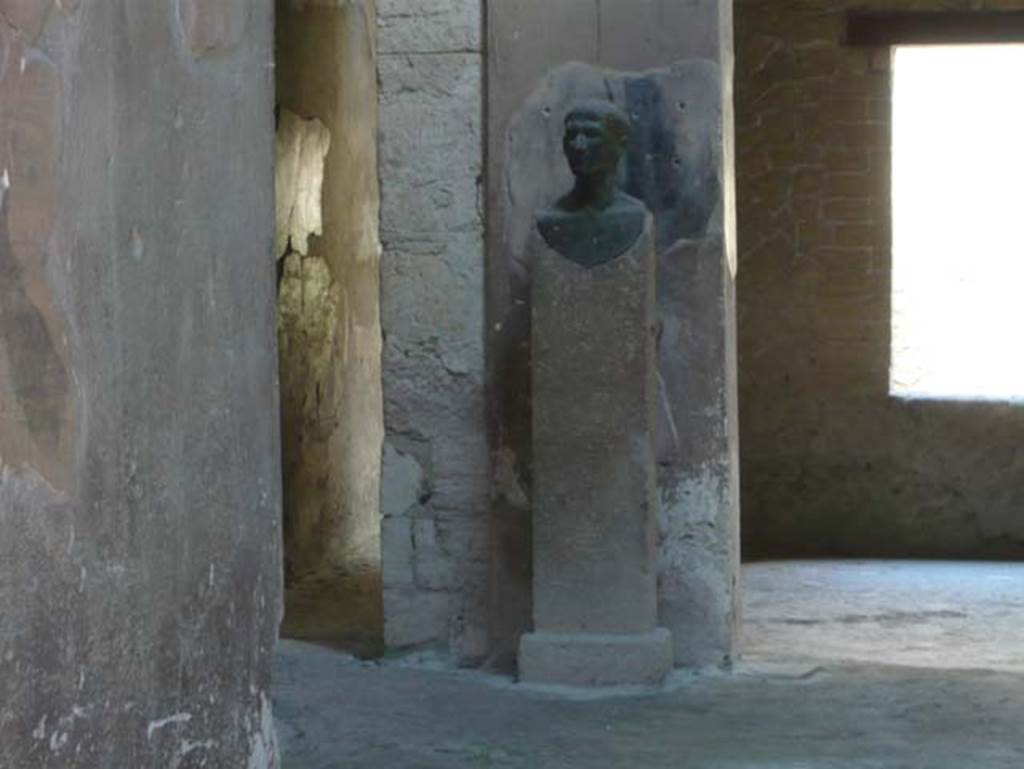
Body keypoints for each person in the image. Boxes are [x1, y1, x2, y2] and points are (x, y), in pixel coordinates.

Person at [537, 100, 648, 268]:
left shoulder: (638, 218)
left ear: (621, 145)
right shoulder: (548, 220)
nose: (578, 145)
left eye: (591, 134)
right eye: (571, 135)